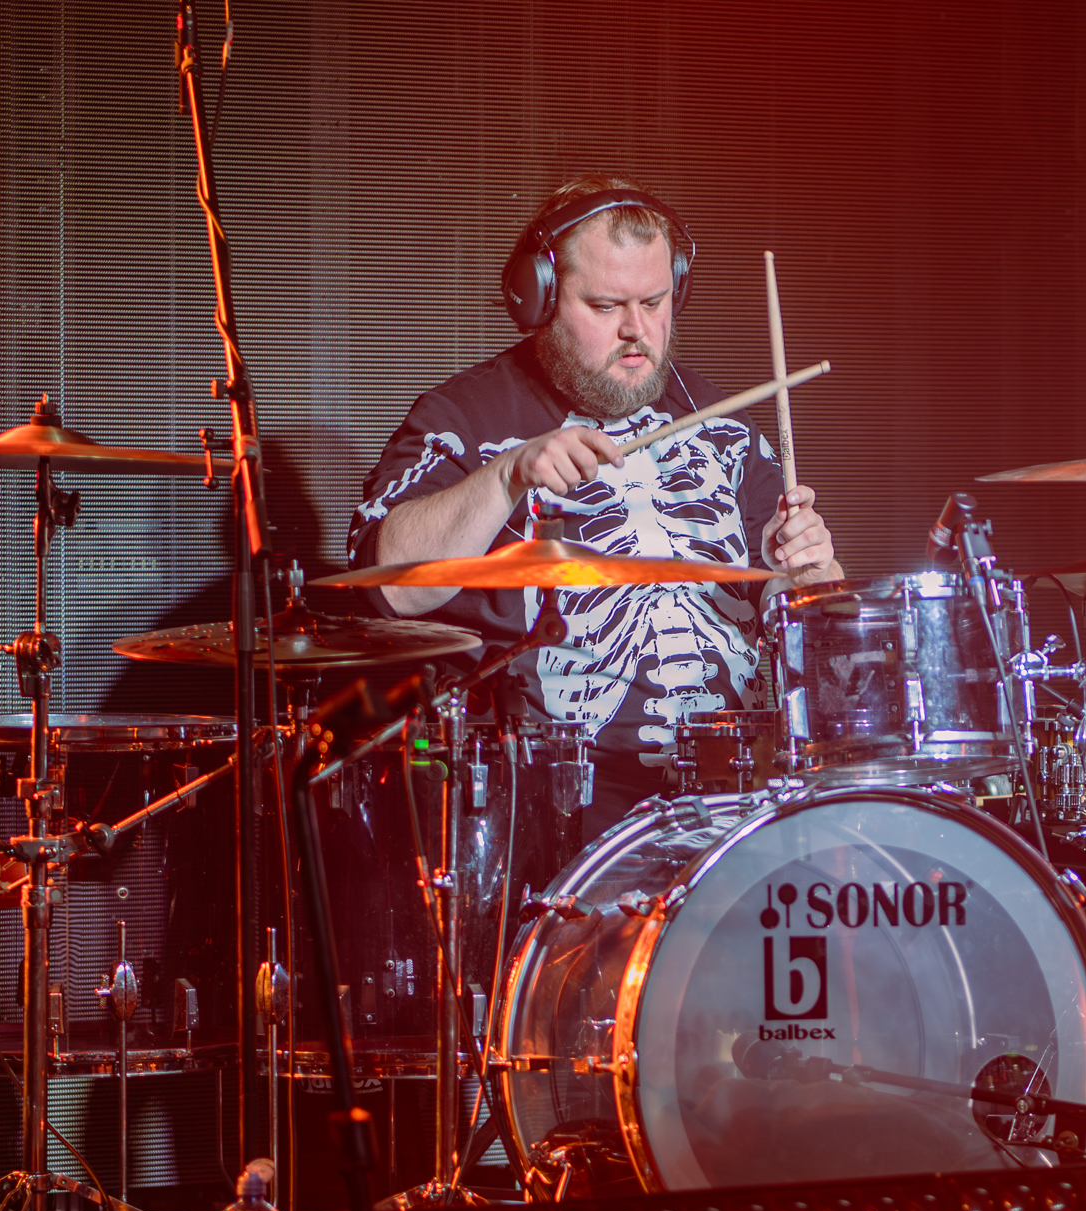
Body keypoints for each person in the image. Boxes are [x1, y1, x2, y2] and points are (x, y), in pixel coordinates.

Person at [347, 174, 843, 833]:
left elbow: (808, 624)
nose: (637, 330)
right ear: (540, 299)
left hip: (739, 793)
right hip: (553, 804)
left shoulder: (721, 426)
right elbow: (388, 584)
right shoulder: (466, 419)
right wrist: (505, 477)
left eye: (654, 302)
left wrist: (808, 576)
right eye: (606, 306)